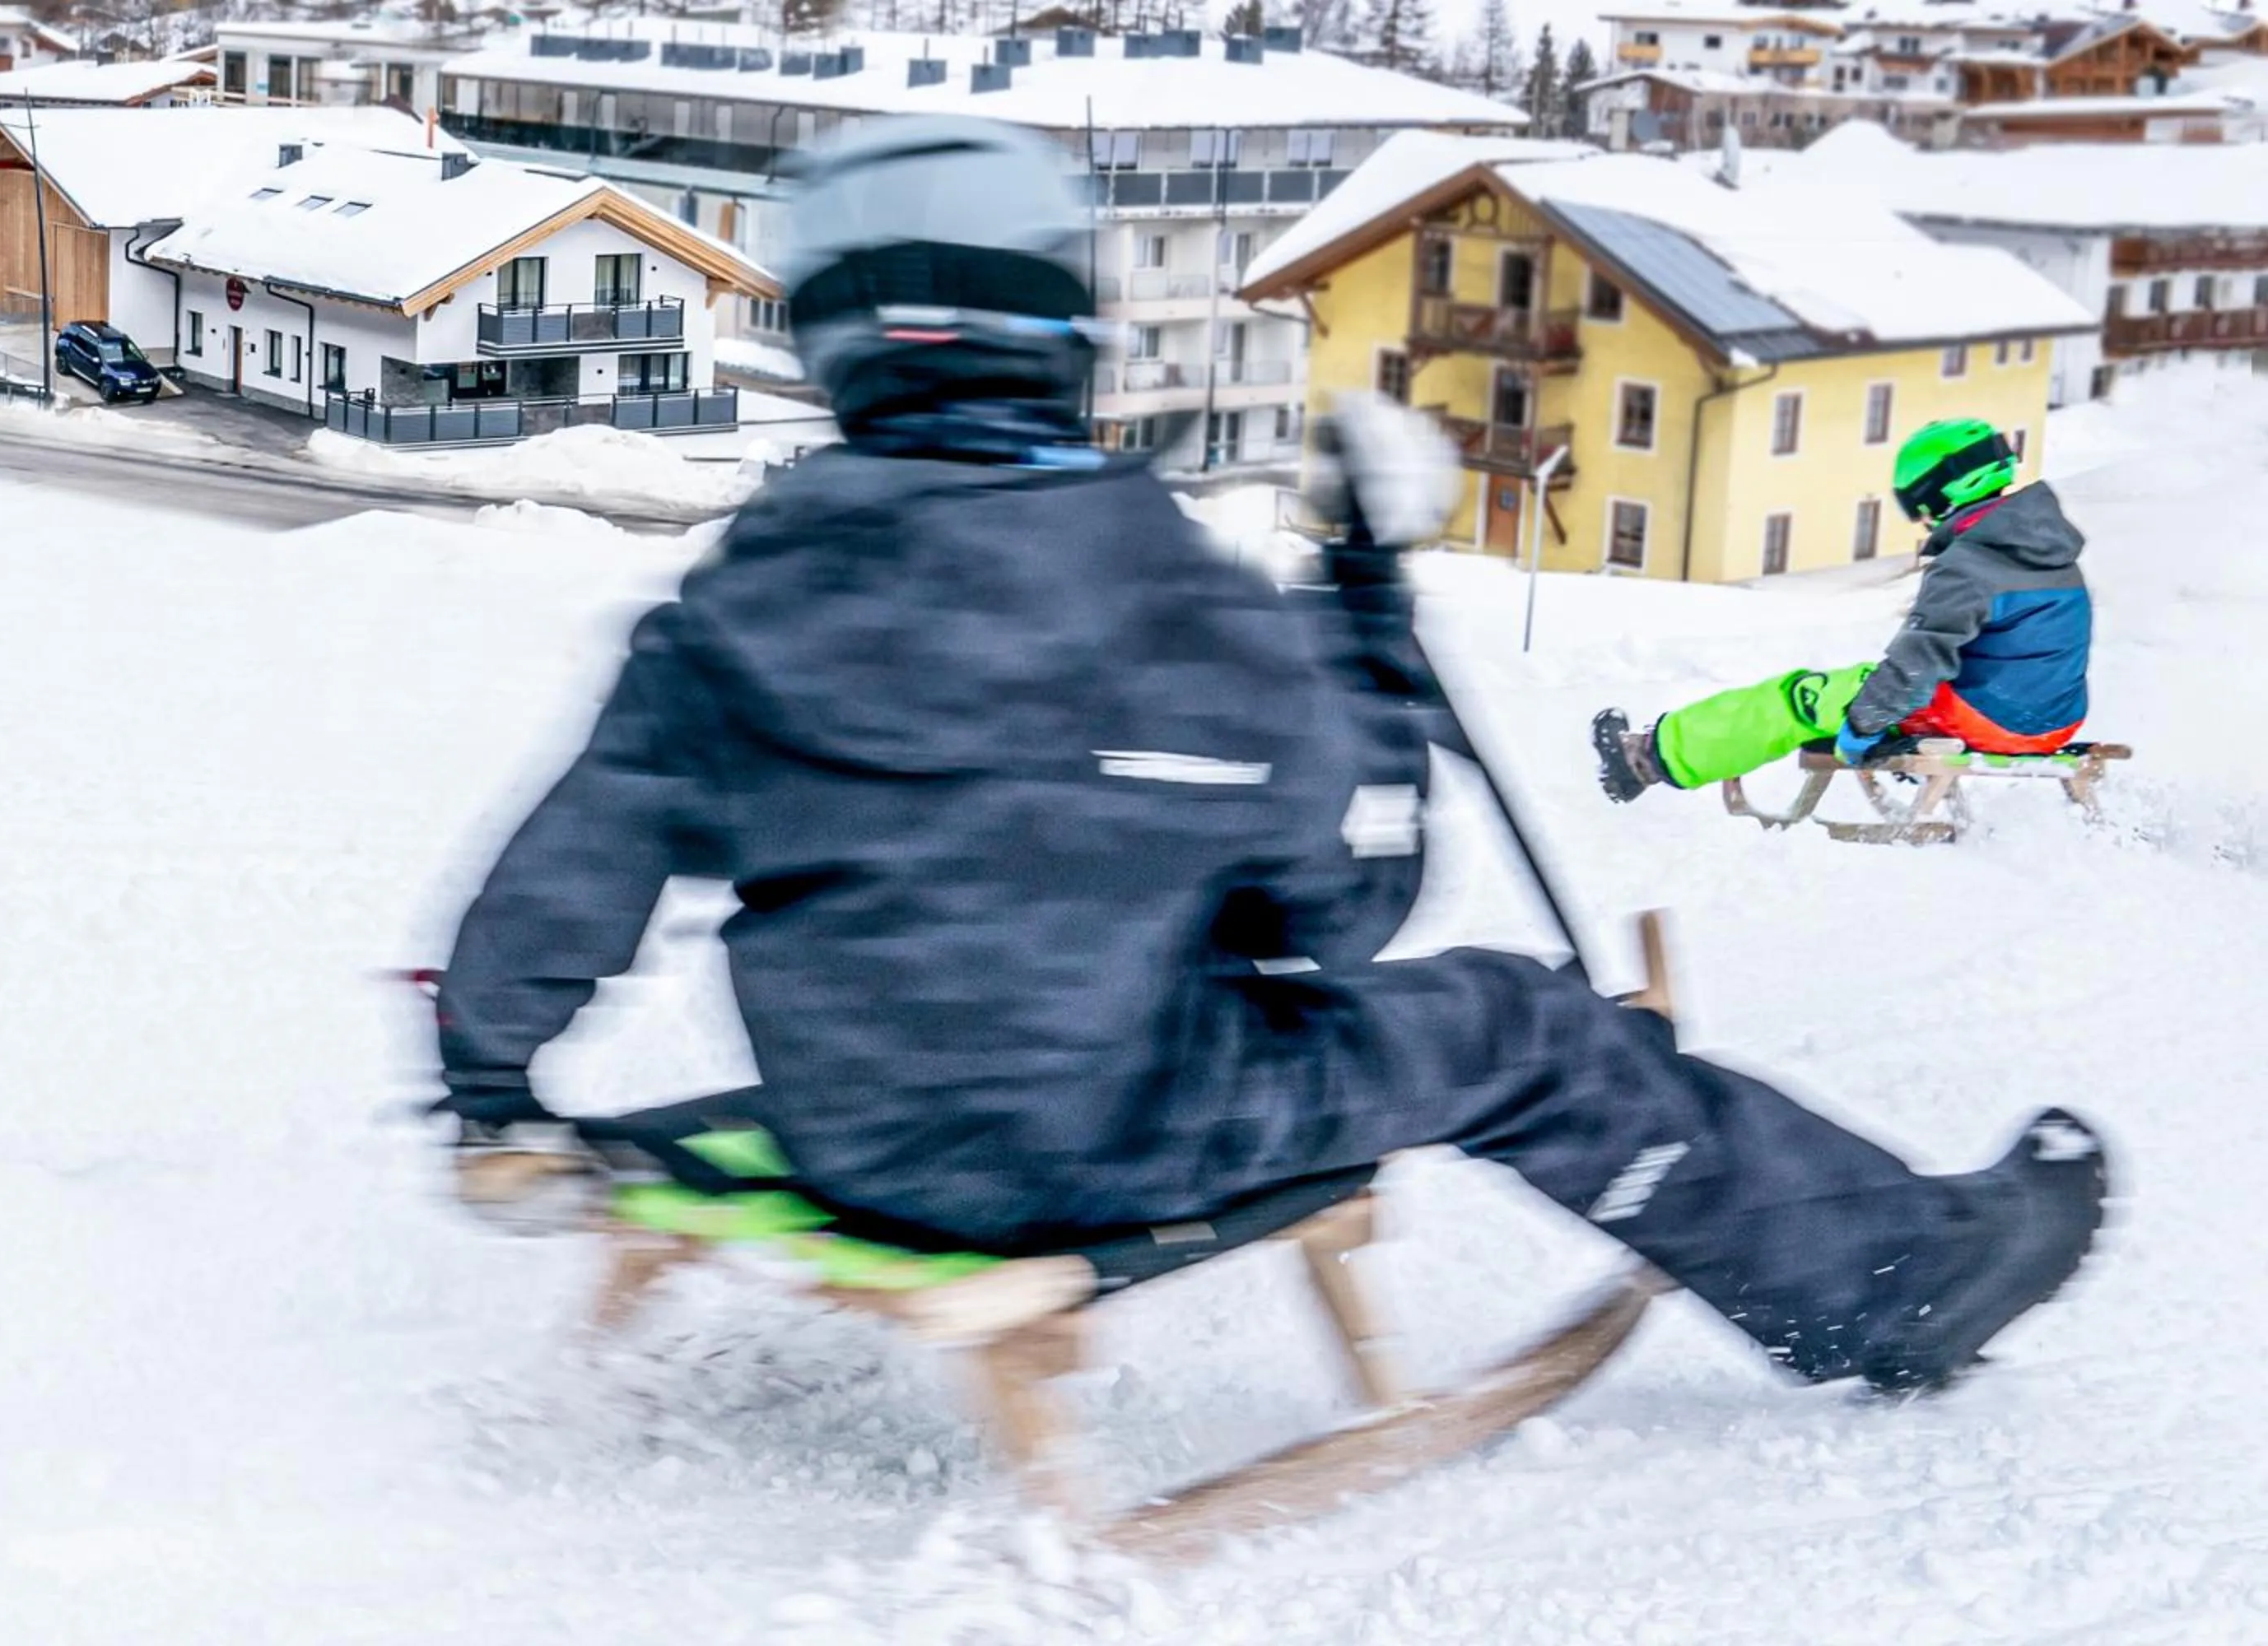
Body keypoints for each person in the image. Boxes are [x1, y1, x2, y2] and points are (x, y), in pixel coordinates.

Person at [428, 115, 2105, 1394]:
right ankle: (1897, 1285)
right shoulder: (1160, 593)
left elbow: (565, 874)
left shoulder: (734, 612)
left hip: (857, 1134)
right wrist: (1362, 604)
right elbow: (1344, 915)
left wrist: (491, 1087)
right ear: (1057, 327)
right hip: (1117, 1137)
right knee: (1518, 1021)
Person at [1594, 421, 2093, 802]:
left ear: (1943, 490)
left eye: (1918, 504)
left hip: (1989, 721)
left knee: (1800, 698)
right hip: (2054, 723)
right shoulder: (2051, 553)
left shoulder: (1969, 566)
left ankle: (1649, 758)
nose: (1922, 519)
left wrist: (1866, 725)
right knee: (1873, 694)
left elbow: (1918, 664)